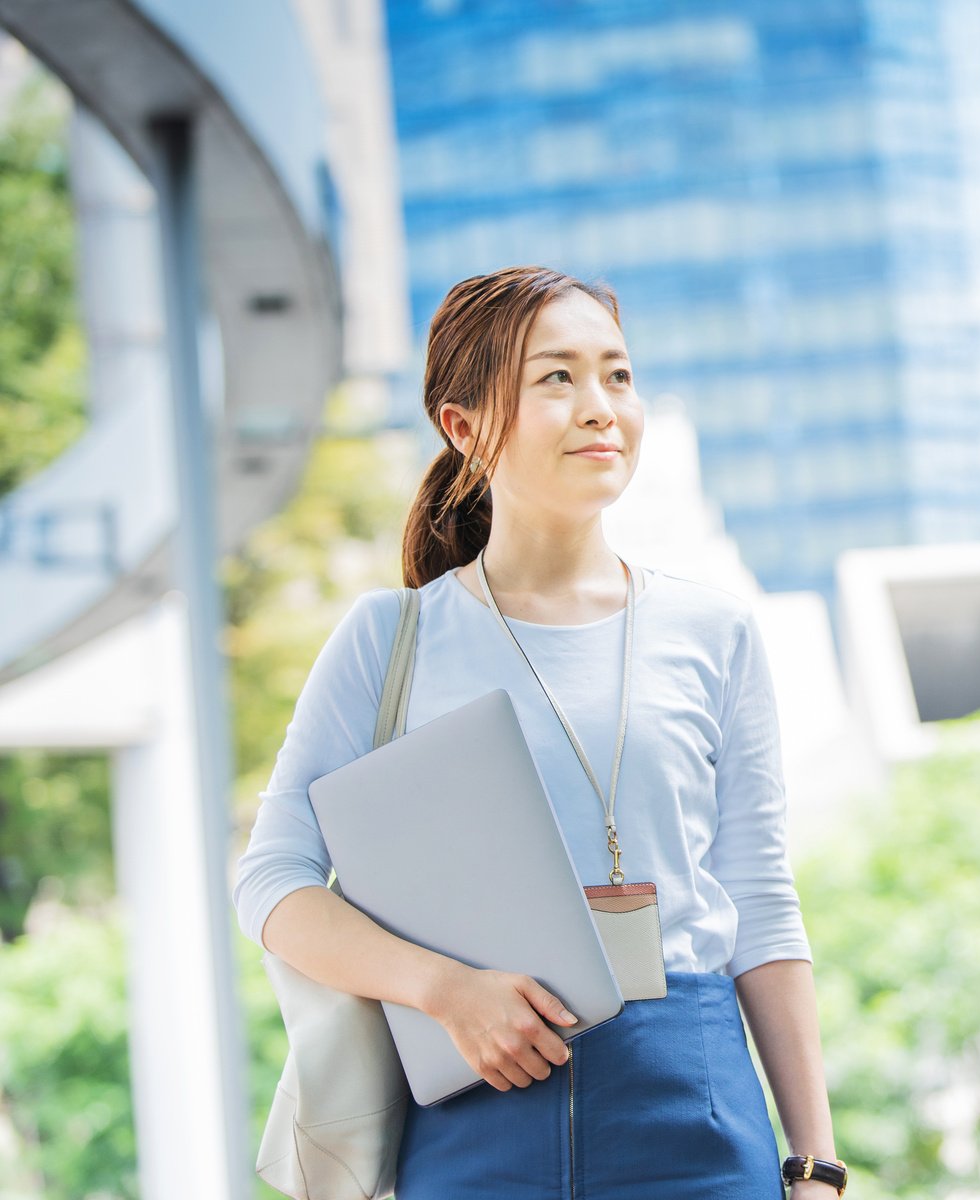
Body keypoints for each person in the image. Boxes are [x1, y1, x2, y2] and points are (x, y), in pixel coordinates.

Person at [231, 265, 849, 1198]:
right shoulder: (387, 640)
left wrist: (814, 1164)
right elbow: (271, 882)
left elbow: (760, 901)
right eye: (556, 378)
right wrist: (443, 989)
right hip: (476, 1118)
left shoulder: (712, 632)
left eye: (618, 375)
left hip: (699, 1116)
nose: (600, 406)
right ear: (464, 426)